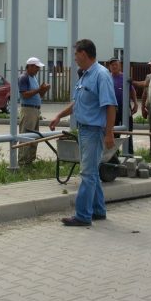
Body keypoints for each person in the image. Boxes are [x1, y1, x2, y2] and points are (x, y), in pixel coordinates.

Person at [49, 39, 116, 227]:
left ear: (84, 54)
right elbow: (77, 103)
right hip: (85, 130)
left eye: (76, 54)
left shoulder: (101, 75)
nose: (75, 58)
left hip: (94, 132)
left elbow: (110, 106)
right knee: (92, 173)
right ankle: (98, 210)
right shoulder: (86, 75)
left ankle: (83, 215)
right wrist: (59, 116)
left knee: (87, 174)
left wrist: (109, 133)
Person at [17, 57, 50, 165]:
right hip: (28, 110)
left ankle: (30, 160)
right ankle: (22, 161)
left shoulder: (33, 78)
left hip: (35, 110)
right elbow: (24, 94)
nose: (38, 70)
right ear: (30, 66)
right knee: (26, 136)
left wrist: (43, 90)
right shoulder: (24, 78)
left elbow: (39, 95)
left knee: (34, 136)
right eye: (36, 67)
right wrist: (39, 89)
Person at [107, 57, 137, 154]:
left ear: (120, 66)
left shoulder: (125, 77)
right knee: (113, 132)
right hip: (112, 110)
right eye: (112, 65)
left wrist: (135, 103)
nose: (114, 66)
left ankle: (129, 153)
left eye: (116, 64)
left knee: (128, 132)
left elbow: (132, 91)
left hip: (125, 108)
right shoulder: (107, 78)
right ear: (109, 67)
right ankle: (113, 155)